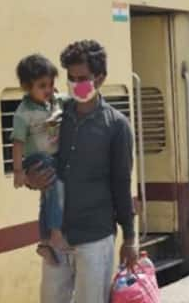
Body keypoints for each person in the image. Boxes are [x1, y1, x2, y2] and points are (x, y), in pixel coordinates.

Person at [25, 40, 137, 303]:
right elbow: (37, 158)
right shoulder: (54, 118)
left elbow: (122, 184)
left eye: (83, 78)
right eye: (71, 79)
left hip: (95, 237)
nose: (76, 85)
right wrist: (31, 178)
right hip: (57, 237)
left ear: (100, 78)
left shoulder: (117, 126)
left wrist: (130, 238)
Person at [11, 54, 67, 264]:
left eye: (51, 84)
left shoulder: (54, 102)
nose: (49, 89)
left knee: (47, 196)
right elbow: (17, 143)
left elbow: (70, 101)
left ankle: (45, 241)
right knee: (54, 186)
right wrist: (19, 172)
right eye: (42, 85)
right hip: (37, 159)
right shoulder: (23, 114)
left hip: (53, 157)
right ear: (27, 87)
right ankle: (55, 233)